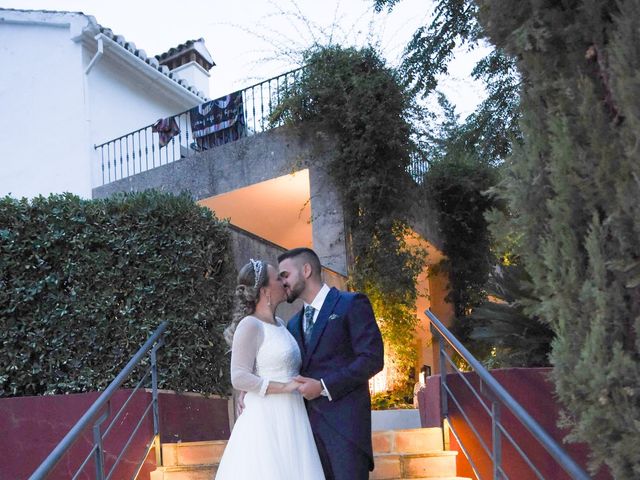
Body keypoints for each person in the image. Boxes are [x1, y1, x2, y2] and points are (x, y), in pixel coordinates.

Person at [278, 248, 384, 480]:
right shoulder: (293, 324)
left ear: (306, 270)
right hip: (306, 432)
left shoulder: (351, 304)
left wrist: (324, 386)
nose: (281, 282)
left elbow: (372, 358)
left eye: (285, 275)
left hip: (346, 429)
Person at [215, 259, 325, 480]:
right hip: (266, 417)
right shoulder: (250, 325)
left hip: (293, 414)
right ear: (265, 290)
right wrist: (284, 387)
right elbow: (238, 376)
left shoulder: (282, 325)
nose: (284, 281)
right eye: (278, 278)